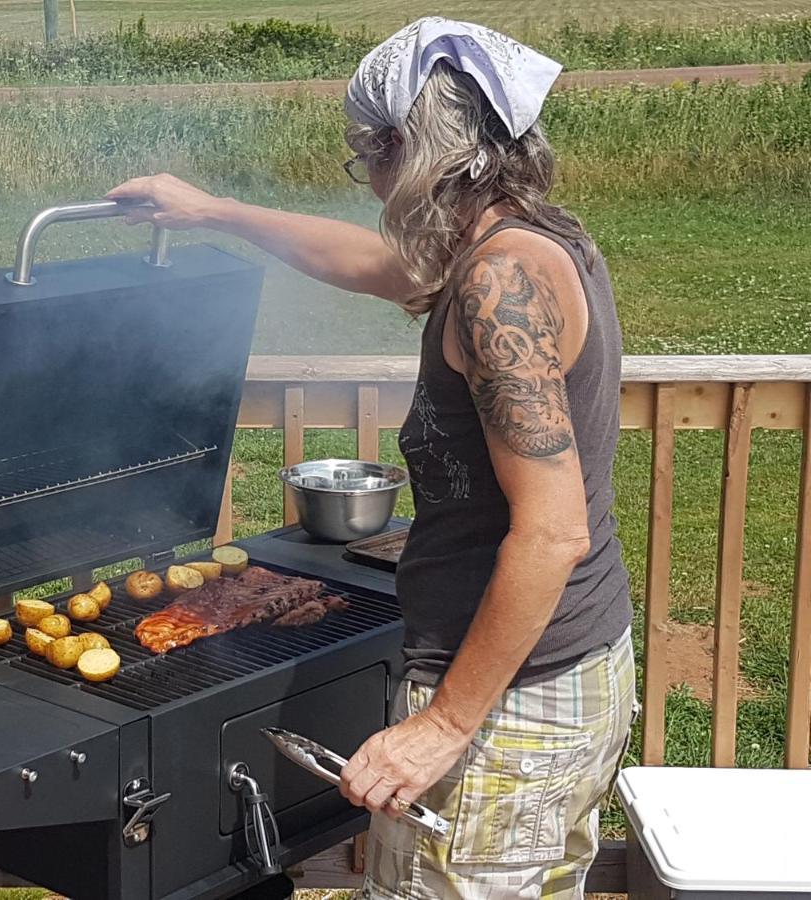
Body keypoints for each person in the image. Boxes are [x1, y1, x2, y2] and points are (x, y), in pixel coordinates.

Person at [109, 17, 635, 899]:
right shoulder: (524, 240)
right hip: (567, 671)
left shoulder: (499, 284)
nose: (373, 185)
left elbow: (552, 534)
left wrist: (444, 725)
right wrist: (212, 211)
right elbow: (369, 260)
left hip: (511, 705)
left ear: (409, 148)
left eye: (369, 159)